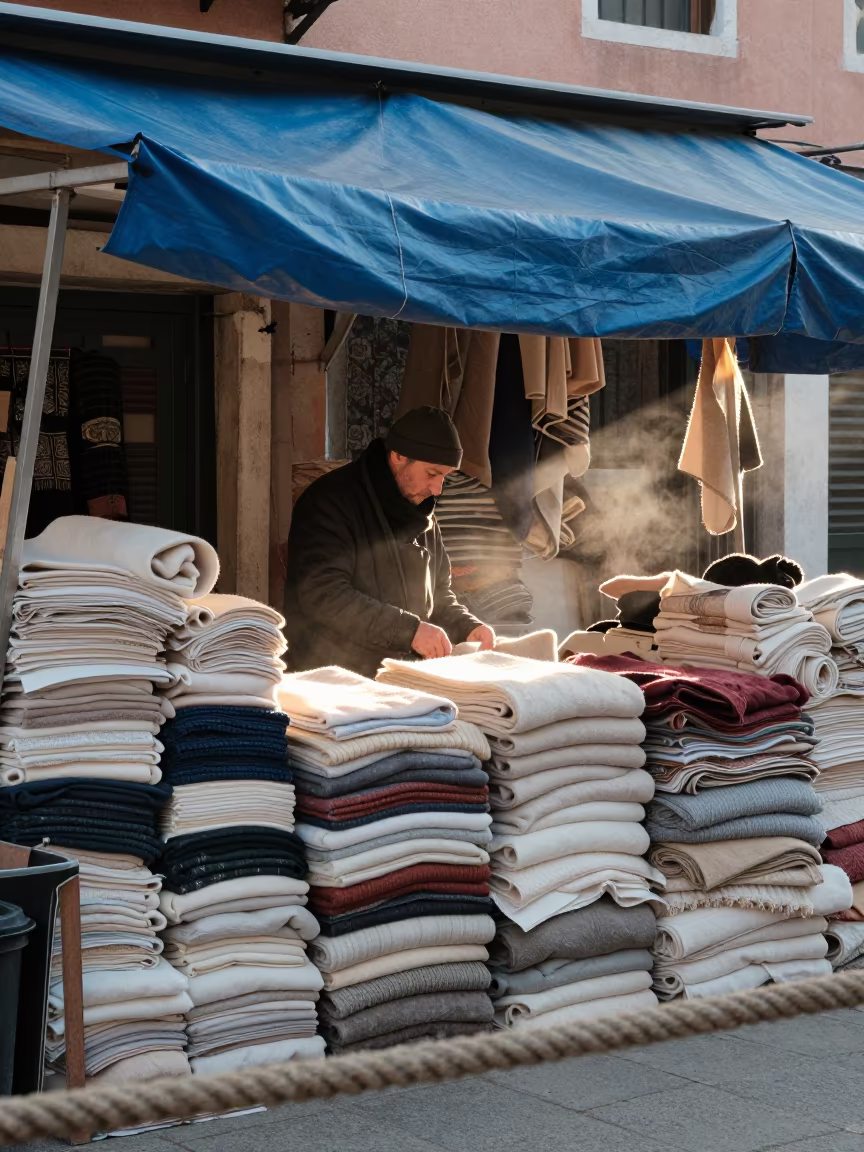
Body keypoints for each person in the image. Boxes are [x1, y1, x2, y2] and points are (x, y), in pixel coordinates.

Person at [284, 405, 495, 677]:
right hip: (331, 677)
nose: (437, 489)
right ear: (398, 456)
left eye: (444, 477)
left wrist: (467, 627)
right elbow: (324, 594)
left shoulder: (422, 510)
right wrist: (409, 632)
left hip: (399, 676)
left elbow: (439, 594)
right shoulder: (329, 502)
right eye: (432, 474)